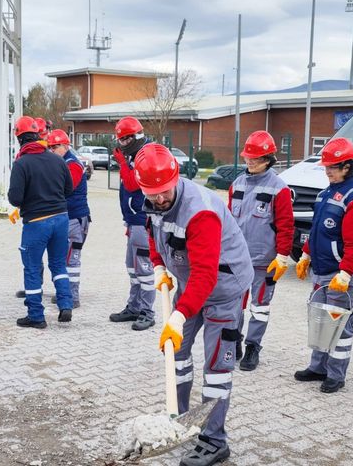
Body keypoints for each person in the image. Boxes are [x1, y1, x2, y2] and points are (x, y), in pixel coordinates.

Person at [139, 144, 253, 466]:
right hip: (191, 286)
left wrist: (178, 315)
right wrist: (158, 266)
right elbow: (154, 232)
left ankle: (214, 441)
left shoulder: (200, 212)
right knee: (175, 352)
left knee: (216, 368)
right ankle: (181, 418)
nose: (160, 199)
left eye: (165, 191)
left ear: (176, 178)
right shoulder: (152, 201)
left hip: (224, 287)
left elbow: (206, 274)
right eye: (153, 194)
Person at [292, 138, 353, 393]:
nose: (327, 171)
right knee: (321, 322)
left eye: (332, 167)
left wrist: (346, 273)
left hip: (342, 273)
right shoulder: (325, 194)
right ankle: (318, 367)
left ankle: (336, 374)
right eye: (326, 167)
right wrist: (306, 255)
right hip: (323, 270)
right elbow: (317, 231)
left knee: (339, 326)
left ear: (347, 166)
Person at [228, 130, 294, 371]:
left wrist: (282, 257)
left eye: (255, 158)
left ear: (268, 159)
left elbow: (286, 226)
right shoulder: (237, 184)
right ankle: (233, 341)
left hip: (264, 262)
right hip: (237, 260)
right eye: (248, 157)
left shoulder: (279, 188)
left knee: (260, 307)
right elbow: (227, 222)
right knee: (233, 304)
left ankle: (252, 347)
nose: (250, 161)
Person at [8, 116, 74, 328]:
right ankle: (66, 304)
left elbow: (15, 198)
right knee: (59, 264)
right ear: (38, 135)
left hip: (36, 222)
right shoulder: (57, 160)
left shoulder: (21, 163)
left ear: (19, 138)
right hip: (61, 219)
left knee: (32, 268)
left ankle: (36, 316)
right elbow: (69, 189)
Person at [108, 116, 156, 331]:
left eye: (127, 139)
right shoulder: (135, 156)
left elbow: (131, 184)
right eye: (121, 139)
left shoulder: (145, 156)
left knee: (144, 270)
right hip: (133, 221)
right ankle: (134, 307)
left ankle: (147, 312)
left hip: (142, 220)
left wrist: (121, 163)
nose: (124, 143)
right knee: (132, 268)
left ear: (137, 136)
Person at [47, 129, 91, 307]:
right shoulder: (62, 162)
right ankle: (65, 292)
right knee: (64, 257)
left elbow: (66, 188)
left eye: (54, 147)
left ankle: (72, 296)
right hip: (68, 217)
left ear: (65, 146)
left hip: (75, 218)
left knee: (72, 259)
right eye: (49, 147)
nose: (51, 150)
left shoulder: (72, 164)